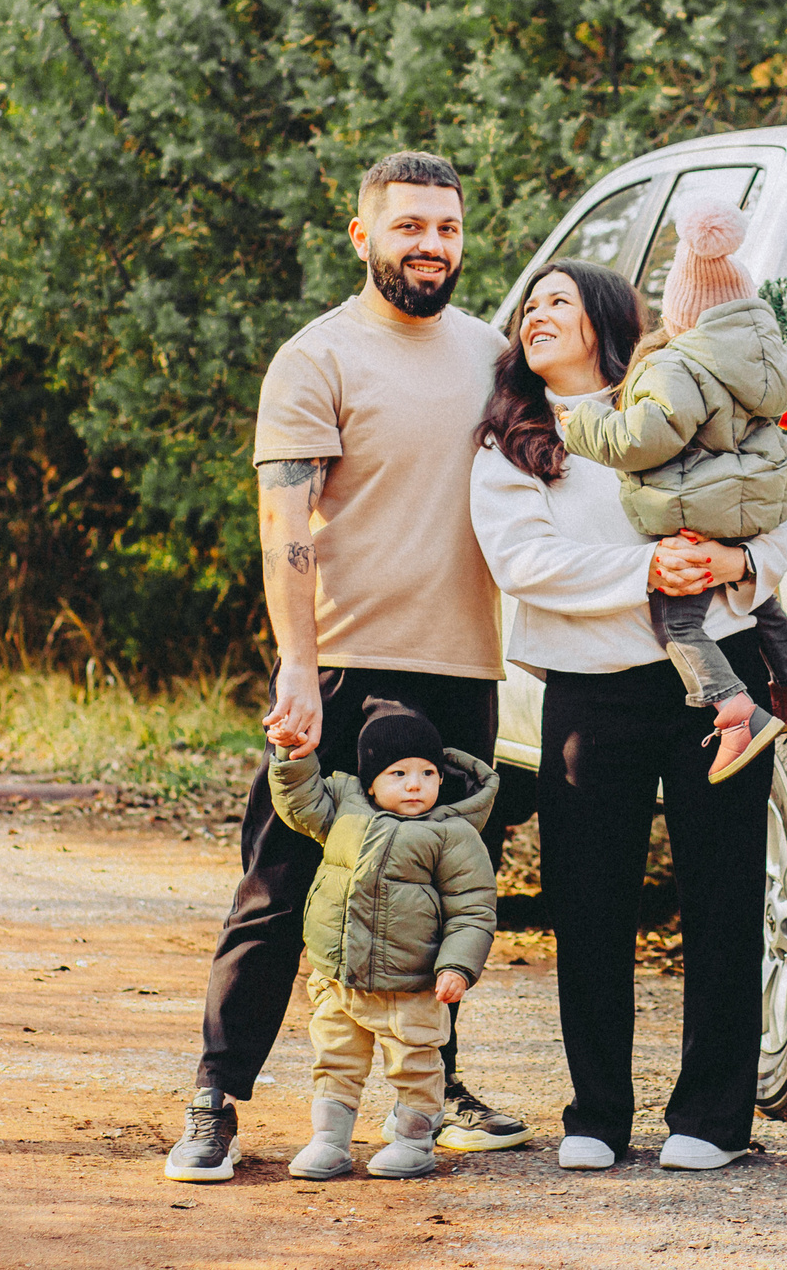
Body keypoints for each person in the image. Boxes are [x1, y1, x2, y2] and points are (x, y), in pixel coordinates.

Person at [166, 151, 530, 1185]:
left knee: (436, 888)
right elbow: (284, 523)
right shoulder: (316, 357)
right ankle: (217, 1097)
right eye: (410, 225)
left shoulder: (493, 354)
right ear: (362, 234)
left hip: (463, 668)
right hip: (343, 668)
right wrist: (295, 665)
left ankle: (429, 1095)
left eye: (447, 228)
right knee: (279, 891)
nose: (431, 244)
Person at [468, 258, 787, 1173]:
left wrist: (739, 566)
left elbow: (776, 511)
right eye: (527, 304)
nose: (536, 314)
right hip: (588, 691)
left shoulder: (681, 395)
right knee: (590, 902)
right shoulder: (513, 442)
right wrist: (646, 574)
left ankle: (714, 1119)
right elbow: (522, 560)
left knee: (725, 895)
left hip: (718, 686)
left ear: (605, 320)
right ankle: (598, 1115)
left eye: (557, 302)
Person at [555, 200, 787, 783]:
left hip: (700, 509)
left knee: (679, 625)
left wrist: (581, 427)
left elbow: (642, 440)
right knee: (761, 600)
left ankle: (733, 709)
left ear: (681, 314)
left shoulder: (680, 365)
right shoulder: (766, 358)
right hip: (755, 505)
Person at [269, 701, 499, 1181]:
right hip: (340, 976)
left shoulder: (452, 834)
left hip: (411, 983)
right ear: (370, 781)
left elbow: (473, 907)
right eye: (398, 773)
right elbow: (299, 802)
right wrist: (292, 758)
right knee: (334, 1057)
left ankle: (414, 1139)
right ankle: (329, 1141)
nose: (415, 784)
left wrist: (456, 966)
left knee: (414, 1061)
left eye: (427, 772)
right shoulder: (344, 812)